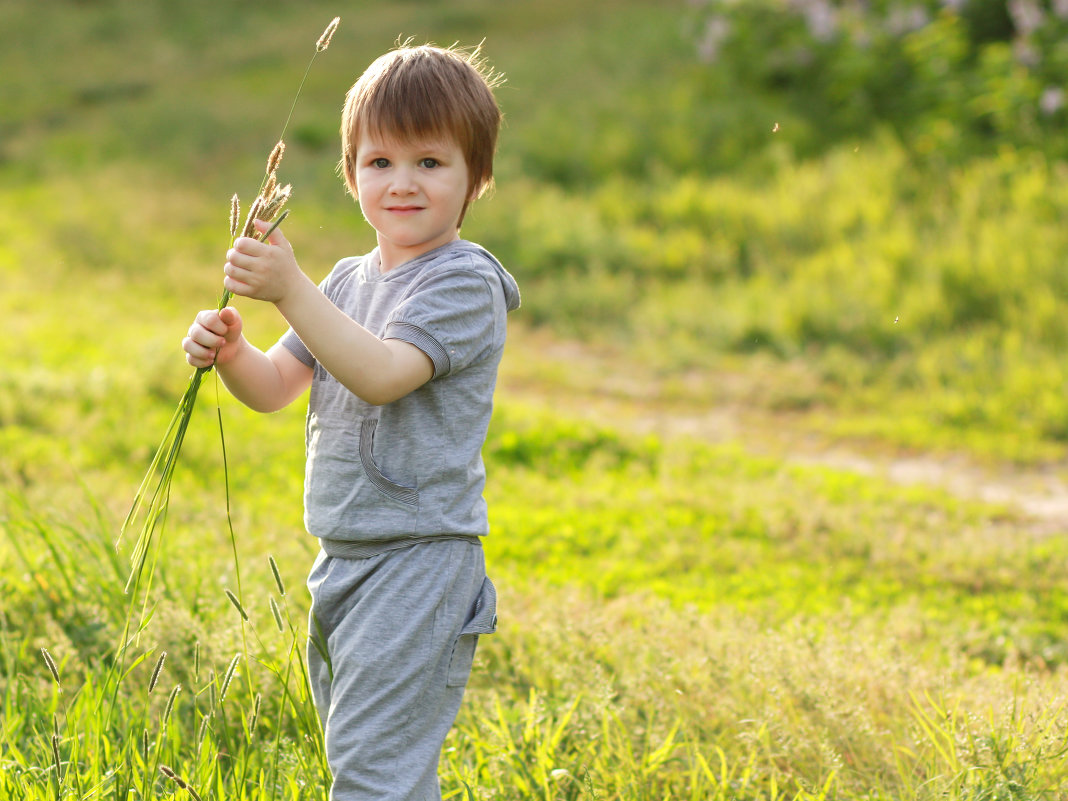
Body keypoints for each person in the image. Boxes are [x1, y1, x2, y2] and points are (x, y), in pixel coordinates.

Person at [182, 41, 520, 800]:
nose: (403, 183)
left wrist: (290, 288)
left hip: (420, 558)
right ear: (351, 173)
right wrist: (232, 350)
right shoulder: (344, 281)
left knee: (372, 773)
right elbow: (274, 386)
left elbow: (380, 374)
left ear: (476, 177)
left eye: (430, 163)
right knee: (372, 762)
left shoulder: (467, 283)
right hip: (344, 556)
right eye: (380, 163)